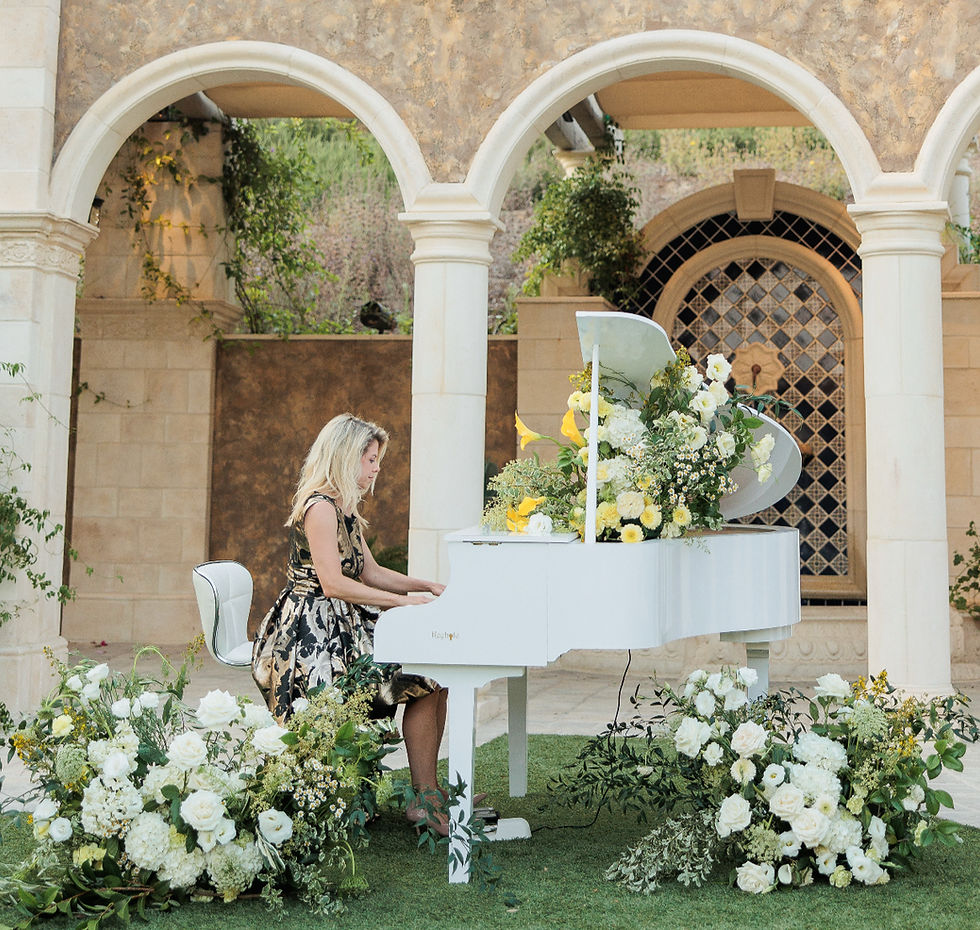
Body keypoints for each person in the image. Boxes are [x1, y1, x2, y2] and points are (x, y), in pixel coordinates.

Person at [252, 413, 449, 831]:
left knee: (436, 674)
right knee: (422, 680)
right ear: (346, 456)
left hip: (341, 626)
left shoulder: (344, 509)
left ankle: (428, 792)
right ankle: (424, 800)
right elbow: (334, 585)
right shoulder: (319, 509)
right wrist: (402, 603)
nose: (377, 469)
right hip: (309, 637)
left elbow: (371, 572)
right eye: (372, 459)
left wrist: (427, 585)